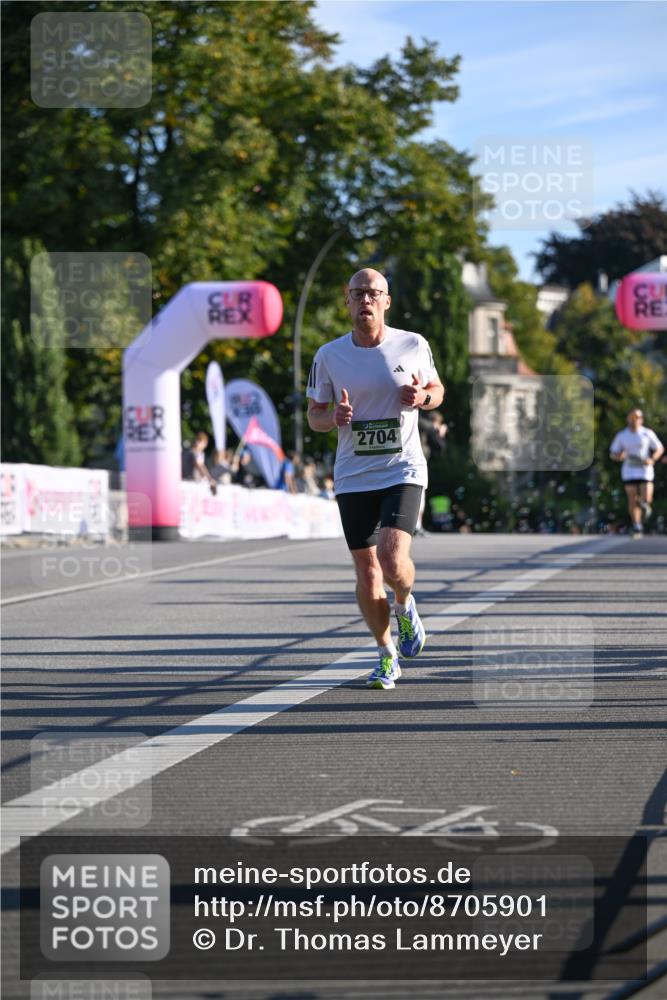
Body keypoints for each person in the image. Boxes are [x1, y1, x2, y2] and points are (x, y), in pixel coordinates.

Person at [306, 267, 445, 690]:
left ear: (386, 302)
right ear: (346, 302)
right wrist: (334, 417)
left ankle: (405, 604)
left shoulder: (413, 344)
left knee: (391, 559)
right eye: (357, 293)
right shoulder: (329, 355)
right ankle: (386, 655)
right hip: (353, 475)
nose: (365, 300)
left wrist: (422, 397)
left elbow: (438, 391)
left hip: (402, 468)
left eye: (373, 293)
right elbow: (314, 417)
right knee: (367, 574)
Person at [610, 408, 664, 535]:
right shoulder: (622, 435)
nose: (634, 420)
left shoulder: (647, 433)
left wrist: (652, 459)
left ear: (641, 419)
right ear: (628, 419)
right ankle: (637, 525)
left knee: (646, 498)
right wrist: (619, 456)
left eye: (637, 417)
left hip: (645, 470)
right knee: (632, 499)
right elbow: (613, 453)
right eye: (632, 417)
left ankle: (645, 505)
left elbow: (659, 448)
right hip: (629, 470)